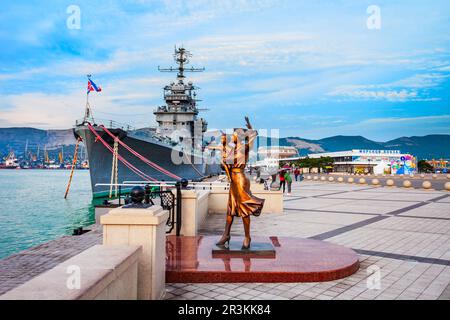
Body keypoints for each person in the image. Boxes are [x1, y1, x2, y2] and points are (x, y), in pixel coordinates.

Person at [211, 117, 265, 250]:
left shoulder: (245, 147)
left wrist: (249, 127)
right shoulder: (231, 150)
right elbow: (224, 164)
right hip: (233, 180)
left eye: (235, 135)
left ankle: (247, 237)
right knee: (231, 208)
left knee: (243, 209)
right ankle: (226, 234)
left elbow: (254, 135)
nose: (233, 137)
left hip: (240, 179)